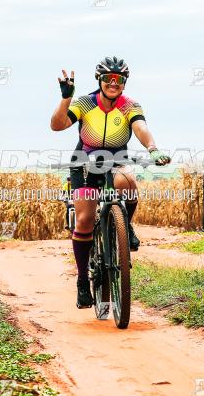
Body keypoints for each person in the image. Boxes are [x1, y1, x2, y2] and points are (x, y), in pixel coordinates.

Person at [50, 56, 170, 308]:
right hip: (84, 160)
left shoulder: (129, 105)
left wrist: (153, 148)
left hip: (116, 158)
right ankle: (83, 281)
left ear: (124, 83)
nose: (113, 84)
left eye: (119, 80)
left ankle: (125, 225)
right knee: (84, 219)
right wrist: (66, 98)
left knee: (129, 183)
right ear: (100, 80)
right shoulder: (85, 103)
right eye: (108, 79)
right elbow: (57, 126)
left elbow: (140, 128)